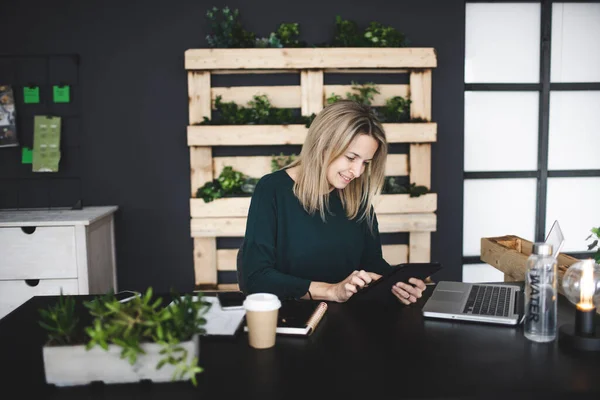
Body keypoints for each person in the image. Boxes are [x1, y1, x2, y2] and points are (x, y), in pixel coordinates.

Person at [238, 100, 426, 304]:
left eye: (365, 163)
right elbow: (255, 278)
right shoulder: (273, 189)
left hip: (350, 321)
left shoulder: (357, 197)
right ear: (323, 145)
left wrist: (396, 284)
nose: (357, 172)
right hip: (293, 321)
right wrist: (331, 291)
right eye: (351, 157)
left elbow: (371, 264)